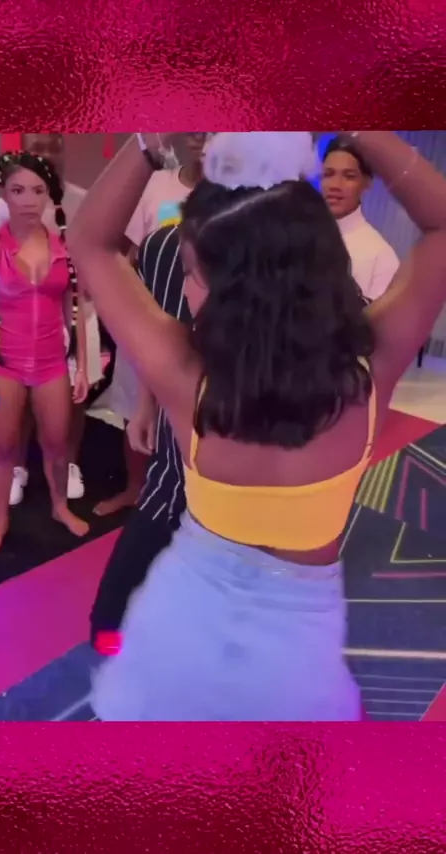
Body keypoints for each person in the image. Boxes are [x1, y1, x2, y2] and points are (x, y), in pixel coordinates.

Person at [68, 131, 446, 721]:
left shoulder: (183, 375)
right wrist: (361, 125)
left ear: (237, 290)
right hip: (297, 642)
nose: (184, 289)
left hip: (186, 614)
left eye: (191, 273)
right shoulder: (373, 369)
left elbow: (89, 240)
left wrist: (148, 138)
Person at [0, 151, 89, 554]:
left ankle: (59, 507)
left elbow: (75, 312)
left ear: (49, 195)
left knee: (57, 444)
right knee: (3, 447)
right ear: (3, 193)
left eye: (38, 190)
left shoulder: (65, 248)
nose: (29, 200)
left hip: (53, 363)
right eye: (18, 190)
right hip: (3, 364)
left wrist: (82, 366)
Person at [94, 132, 208, 517]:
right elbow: (124, 251)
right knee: (137, 410)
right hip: (148, 316)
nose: (202, 134)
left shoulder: (243, 194)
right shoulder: (156, 183)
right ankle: (136, 489)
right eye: (196, 125)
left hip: (205, 334)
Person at [90, 223, 188, 651]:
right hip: (177, 452)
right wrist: (146, 404)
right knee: (108, 624)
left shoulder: (294, 244)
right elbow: (160, 340)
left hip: (249, 476)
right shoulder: (165, 246)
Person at [0, 134, 103, 505]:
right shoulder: (6, 203)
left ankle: (68, 464)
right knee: (21, 394)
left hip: (76, 308)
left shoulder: (82, 199)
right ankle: (17, 466)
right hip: (24, 315)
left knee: (76, 393)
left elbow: (99, 249)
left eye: (53, 146)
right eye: (38, 146)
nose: (47, 153)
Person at [321, 136, 399, 301]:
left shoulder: (380, 256)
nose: (335, 185)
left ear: (367, 182)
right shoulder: (298, 237)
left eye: (349, 176)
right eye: (329, 174)